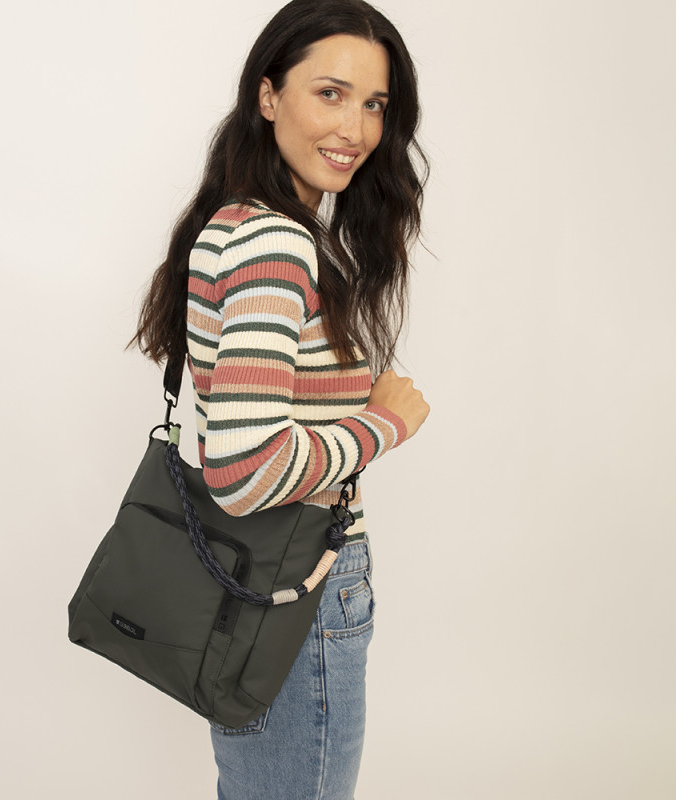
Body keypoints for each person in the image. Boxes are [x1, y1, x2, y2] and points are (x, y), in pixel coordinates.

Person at [129, 1, 431, 797]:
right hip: (300, 588)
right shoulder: (276, 241)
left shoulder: (236, 222)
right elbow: (247, 470)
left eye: (375, 104)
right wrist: (384, 424)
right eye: (330, 93)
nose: (356, 129)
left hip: (263, 581)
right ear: (268, 96)